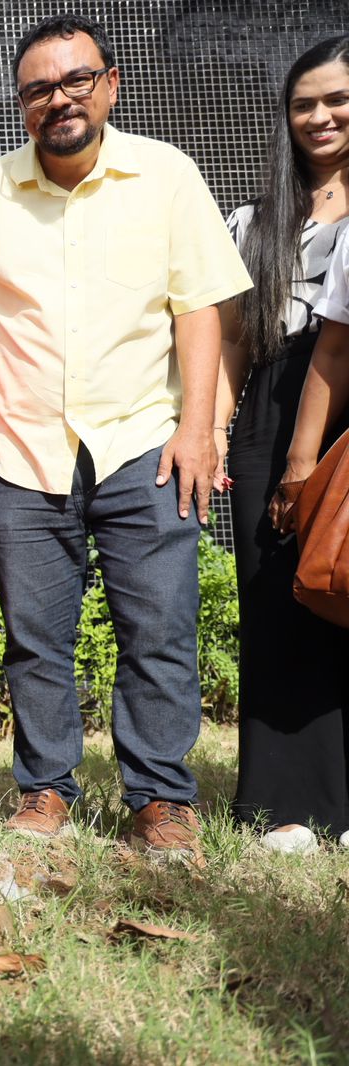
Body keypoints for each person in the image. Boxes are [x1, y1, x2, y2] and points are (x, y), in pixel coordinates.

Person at [0, 15, 252, 862]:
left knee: (157, 628)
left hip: (145, 443)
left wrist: (200, 429)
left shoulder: (166, 175)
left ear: (110, 84)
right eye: (40, 89)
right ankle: (45, 791)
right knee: (34, 635)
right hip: (23, 449)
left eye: (76, 80)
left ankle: (158, 800)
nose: (60, 99)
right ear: (21, 106)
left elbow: (201, 308)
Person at [254, 37, 349, 853]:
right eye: (303, 104)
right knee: (281, 596)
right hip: (273, 408)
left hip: (337, 403)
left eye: (337, 99)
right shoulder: (257, 217)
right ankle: (284, 801)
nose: (320, 117)